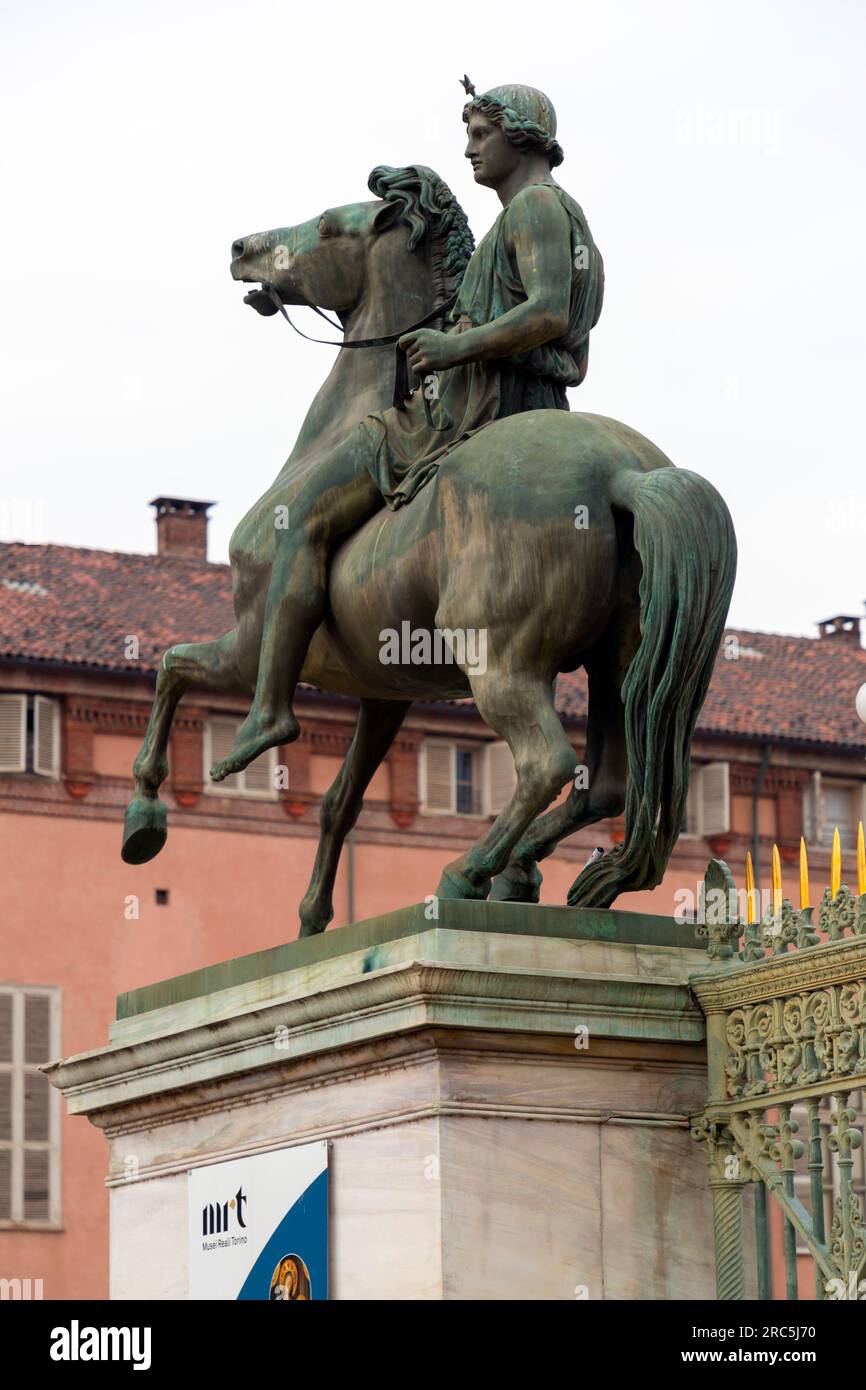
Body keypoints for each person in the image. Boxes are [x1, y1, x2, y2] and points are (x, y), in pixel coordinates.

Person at [210, 82, 604, 782]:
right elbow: (559, 335)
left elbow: (546, 312)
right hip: (521, 404)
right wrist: (289, 288)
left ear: (521, 136)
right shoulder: (555, 223)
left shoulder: (536, 208)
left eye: (482, 131)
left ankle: (270, 705)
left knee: (299, 516)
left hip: (463, 414)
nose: (470, 146)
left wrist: (455, 348)